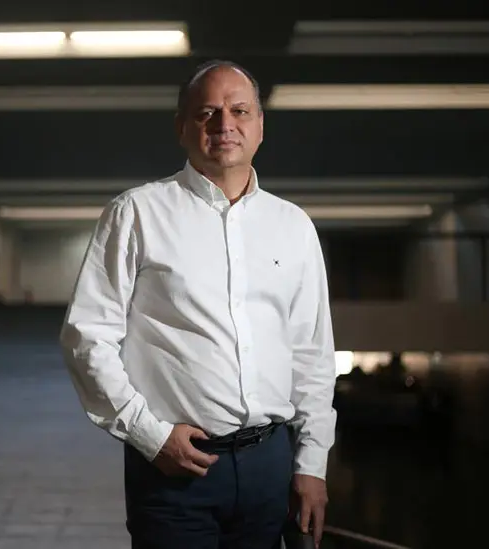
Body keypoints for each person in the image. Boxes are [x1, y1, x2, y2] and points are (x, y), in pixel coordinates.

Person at [60, 59, 337, 549]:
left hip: (269, 466)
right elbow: (87, 338)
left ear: (260, 126)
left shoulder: (293, 226)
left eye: (239, 111)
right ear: (181, 127)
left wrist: (311, 464)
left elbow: (312, 355)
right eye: (207, 112)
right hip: (175, 469)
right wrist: (149, 435)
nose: (224, 124)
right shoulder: (137, 213)